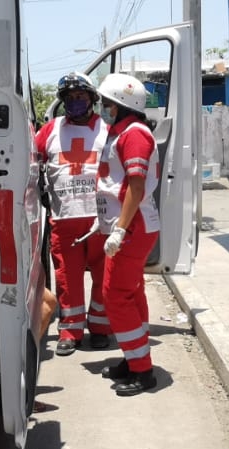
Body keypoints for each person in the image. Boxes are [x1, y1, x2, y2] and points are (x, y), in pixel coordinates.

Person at [34, 73, 112, 356]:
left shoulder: (106, 130)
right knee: (68, 279)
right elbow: (32, 160)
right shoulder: (50, 130)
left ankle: (101, 328)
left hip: (100, 218)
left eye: (80, 96)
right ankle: (70, 331)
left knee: (105, 278)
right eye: (69, 98)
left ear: (92, 99)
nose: (75, 102)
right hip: (65, 218)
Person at [95, 72, 162, 396]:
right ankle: (133, 357)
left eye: (107, 103)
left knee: (116, 296)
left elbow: (136, 185)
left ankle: (142, 369)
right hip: (127, 224)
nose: (103, 108)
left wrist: (119, 229)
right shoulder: (121, 132)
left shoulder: (134, 134)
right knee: (131, 293)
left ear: (121, 104)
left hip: (133, 227)